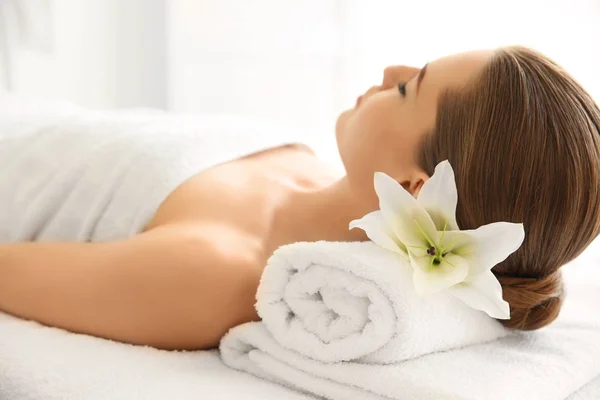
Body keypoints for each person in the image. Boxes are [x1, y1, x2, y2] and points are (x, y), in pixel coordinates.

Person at [1, 46, 599, 351]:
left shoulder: (217, 272)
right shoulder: (301, 161)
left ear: (417, 187)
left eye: (405, 86)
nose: (390, 67)